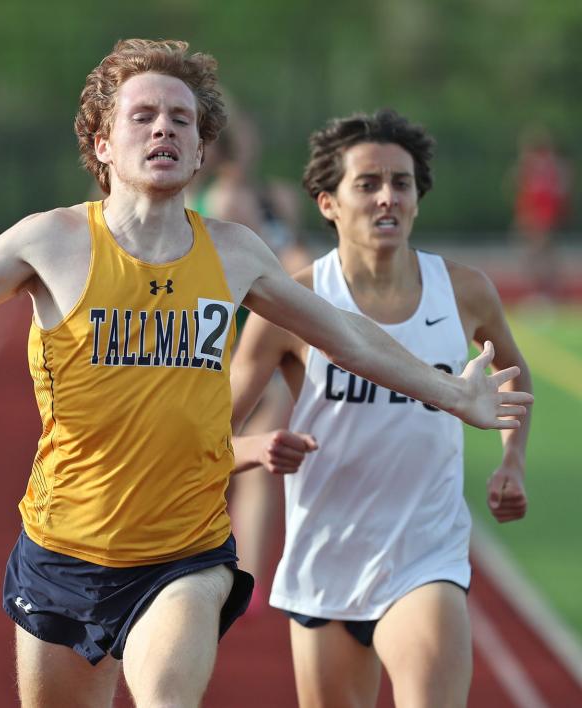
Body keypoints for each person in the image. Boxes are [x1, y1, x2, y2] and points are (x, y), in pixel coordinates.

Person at [0, 42, 530, 708]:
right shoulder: (54, 243)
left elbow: (347, 337)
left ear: (200, 150)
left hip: (183, 552)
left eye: (182, 120)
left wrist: (454, 391)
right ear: (101, 143)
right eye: (143, 116)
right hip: (62, 548)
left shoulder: (234, 254)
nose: (164, 130)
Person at [230, 109, 533, 708]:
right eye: (367, 184)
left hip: (426, 554)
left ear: (418, 196)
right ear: (327, 203)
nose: (388, 197)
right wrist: (254, 449)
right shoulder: (294, 304)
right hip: (326, 561)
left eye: (402, 182)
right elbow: (207, 433)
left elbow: (511, 379)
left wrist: (512, 462)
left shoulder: (465, 292)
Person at [186, 96, 312, 612]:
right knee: (225, 461)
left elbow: (291, 260)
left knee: (246, 464)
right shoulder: (215, 200)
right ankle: (230, 577)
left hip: (251, 342)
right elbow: (281, 262)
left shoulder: (267, 198)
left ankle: (242, 580)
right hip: (229, 344)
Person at [511, 124, 572, 301]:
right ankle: (545, 294)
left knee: (538, 259)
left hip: (540, 219)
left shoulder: (538, 168)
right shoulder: (554, 167)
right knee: (541, 259)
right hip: (539, 219)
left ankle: (544, 295)